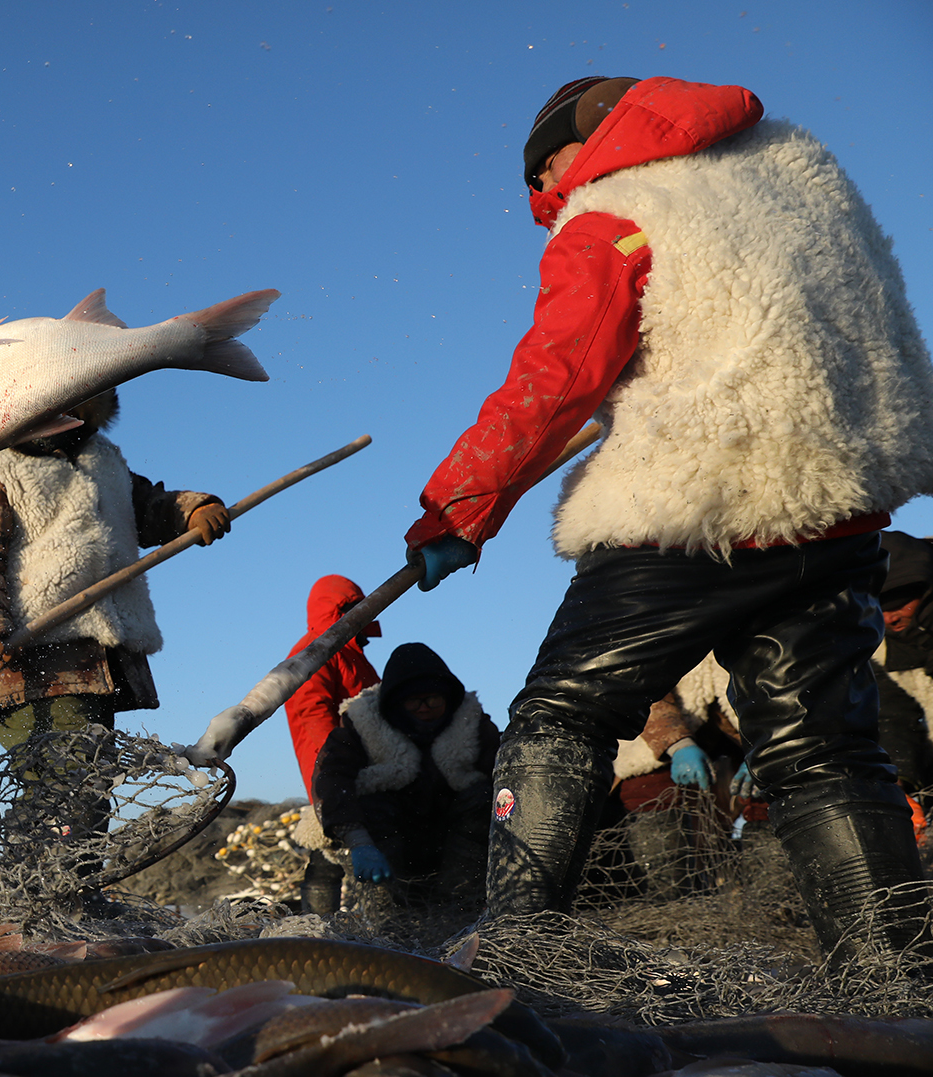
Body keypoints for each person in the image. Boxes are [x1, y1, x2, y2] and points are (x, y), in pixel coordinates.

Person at [403, 76, 933, 963]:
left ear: (577, 148)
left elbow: (559, 375)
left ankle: (515, 955)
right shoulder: (798, 178)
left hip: (695, 494)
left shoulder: (619, 206)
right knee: (827, 752)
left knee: (562, 713)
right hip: (839, 501)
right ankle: (897, 988)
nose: (545, 201)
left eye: (543, 177)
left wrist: (460, 507)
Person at [0, 387, 230, 748]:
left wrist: (191, 510)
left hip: (99, 660)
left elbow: (144, 505)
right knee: (68, 790)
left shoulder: (102, 459)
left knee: (89, 787)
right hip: (33, 664)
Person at [311, 643, 500, 909]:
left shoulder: (473, 723)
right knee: (341, 826)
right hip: (386, 839)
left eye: (433, 699)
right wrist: (358, 842)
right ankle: (384, 910)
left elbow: (503, 773)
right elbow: (331, 778)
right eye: (413, 700)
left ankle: (459, 906)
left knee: (483, 798)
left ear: (449, 697)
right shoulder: (361, 725)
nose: (424, 708)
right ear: (393, 702)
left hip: (452, 839)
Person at [282, 575, 381, 913]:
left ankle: (327, 931)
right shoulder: (317, 652)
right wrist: (335, 767)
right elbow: (313, 713)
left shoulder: (351, 654)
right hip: (333, 770)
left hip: (362, 770)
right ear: (338, 610)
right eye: (354, 609)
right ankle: (317, 931)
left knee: (334, 851)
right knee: (327, 849)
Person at [612, 656, 747, 900]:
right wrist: (678, 744)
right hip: (655, 749)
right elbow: (639, 684)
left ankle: (778, 905)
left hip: (739, 751)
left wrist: (768, 752)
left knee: (779, 793)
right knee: (646, 788)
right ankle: (663, 901)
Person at [873, 530, 933, 797]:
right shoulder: (881, 651)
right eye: (878, 606)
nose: (889, 618)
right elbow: (894, 718)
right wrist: (899, 780)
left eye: (899, 602)